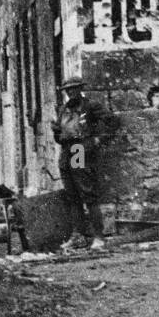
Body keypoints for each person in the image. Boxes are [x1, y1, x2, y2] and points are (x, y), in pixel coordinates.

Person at [51, 76, 118, 251]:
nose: (70, 92)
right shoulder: (63, 109)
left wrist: (97, 141)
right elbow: (59, 137)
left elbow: (112, 121)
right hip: (66, 152)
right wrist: (56, 132)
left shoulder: (89, 106)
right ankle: (78, 236)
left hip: (79, 150)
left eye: (74, 89)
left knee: (87, 194)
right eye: (68, 90)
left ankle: (98, 237)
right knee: (72, 196)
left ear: (80, 89)